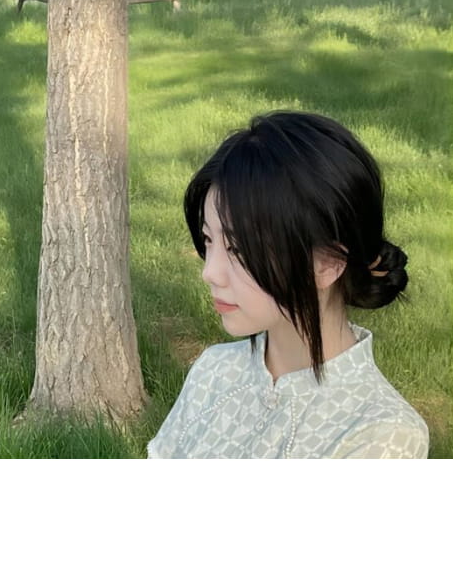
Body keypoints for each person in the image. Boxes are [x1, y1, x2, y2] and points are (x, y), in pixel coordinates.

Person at [147, 111, 429, 459]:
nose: (210, 272)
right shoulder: (213, 370)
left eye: (239, 249)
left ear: (328, 263)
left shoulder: (384, 433)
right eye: (208, 239)